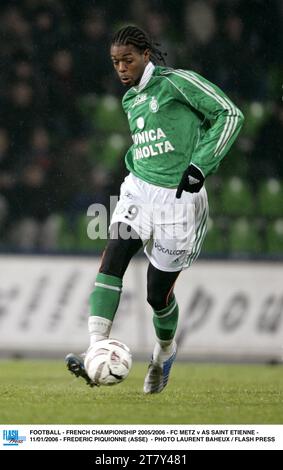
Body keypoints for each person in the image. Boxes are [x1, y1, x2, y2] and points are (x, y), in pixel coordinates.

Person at [66, 25, 244, 393]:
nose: (121, 68)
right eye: (115, 62)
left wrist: (200, 165)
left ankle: (164, 351)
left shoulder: (178, 83)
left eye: (127, 59)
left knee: (156, 295)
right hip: (139, 192)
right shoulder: (130, 99)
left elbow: (230, 114)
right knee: (113, 255)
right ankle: (95, 348)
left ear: (146, 54)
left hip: (180, 201)